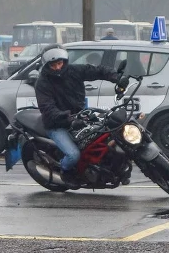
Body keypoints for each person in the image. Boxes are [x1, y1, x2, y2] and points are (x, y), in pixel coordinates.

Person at [34, 47, 121, 180]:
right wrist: (68, 118)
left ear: (64, 61)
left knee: (106, 135)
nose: (58, 67)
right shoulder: (42, 83)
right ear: (47, 66)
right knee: (73, 155)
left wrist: (117, 77)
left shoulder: (74, 71)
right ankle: (64, 172)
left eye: (60, 63)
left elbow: (97, 71)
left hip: (80, 117)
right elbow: (48, 108)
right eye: (53, 65)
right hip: (57, 124)